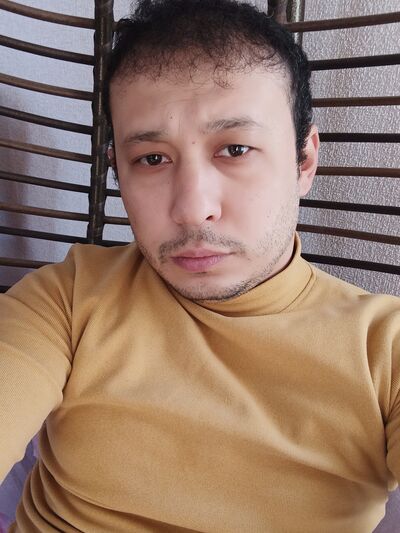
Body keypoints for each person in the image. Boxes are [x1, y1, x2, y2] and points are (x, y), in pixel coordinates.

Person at [0, 0, 399, 531]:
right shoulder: (67, 299)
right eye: (152, 159)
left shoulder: (385, 348)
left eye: (235, 149)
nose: (192, 208)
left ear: (304, 160)